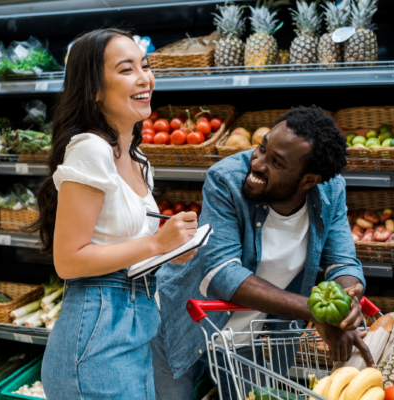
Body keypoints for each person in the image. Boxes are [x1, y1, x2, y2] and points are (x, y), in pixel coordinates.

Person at [152, 105, 374, 399]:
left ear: (308, 180)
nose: (257, 163)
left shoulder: (330, 190)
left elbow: (343, 263)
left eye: (277, 162)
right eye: (262, 148)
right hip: (183, 322)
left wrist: (345, 306)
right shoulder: (226, 179)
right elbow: (223, 274)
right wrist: (316, 312)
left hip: (251, 334)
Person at [32, 28, 197, 400]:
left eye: (146, 65)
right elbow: (69, 260)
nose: (144, 78)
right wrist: (155, 243)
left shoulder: (138, 160)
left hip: (135, 322)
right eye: (126, 70)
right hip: (96, 330)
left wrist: (171, 250)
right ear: (93, 89)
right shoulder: (90, 150)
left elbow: (123, 244)